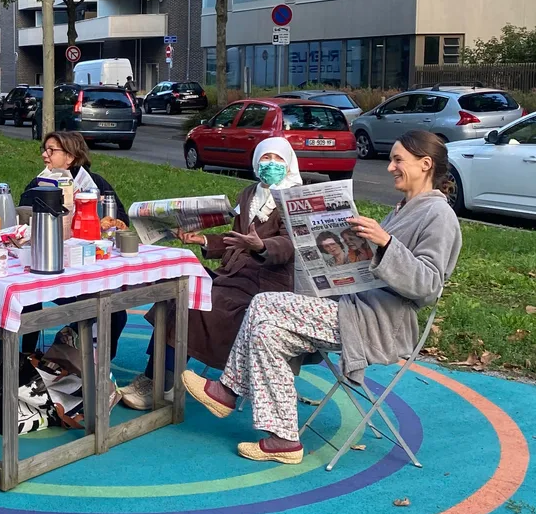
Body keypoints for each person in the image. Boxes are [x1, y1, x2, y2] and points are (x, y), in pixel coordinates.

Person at [184, 131, 462, 465]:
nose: (389, 168)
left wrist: (386, 243)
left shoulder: (439, 216)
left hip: (376, 321)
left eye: (398, 160)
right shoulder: (405, 209)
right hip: (350, 306)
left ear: (425, 164)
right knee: (267, 332)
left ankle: (228, 391)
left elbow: (428, 285)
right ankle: (284, 440)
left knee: (264, 303)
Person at [119, 138, 298, 409]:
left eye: (278, 159)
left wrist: (262, 246)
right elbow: (235, 238)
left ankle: (159, 383)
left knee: (195, 304)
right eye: (265, 158)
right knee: (178, 288)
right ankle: (156, 377)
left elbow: (289, 245)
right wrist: (201, 241)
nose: (270, 164)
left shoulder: (294, 198)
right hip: (232, 275)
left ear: (289, 163)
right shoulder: (249, 194)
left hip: (263, 285)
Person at [21, 130, 128, 360]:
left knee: (116, 312)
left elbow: (121, 220)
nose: (44, 155)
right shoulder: (39, 184)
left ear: (70, 157)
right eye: (44, 149)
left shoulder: (96, 184)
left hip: (89, 263)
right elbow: (23, 219)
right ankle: (26, 356)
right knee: (27, 296)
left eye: (51, 150)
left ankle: (99, 367)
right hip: (49, 264)